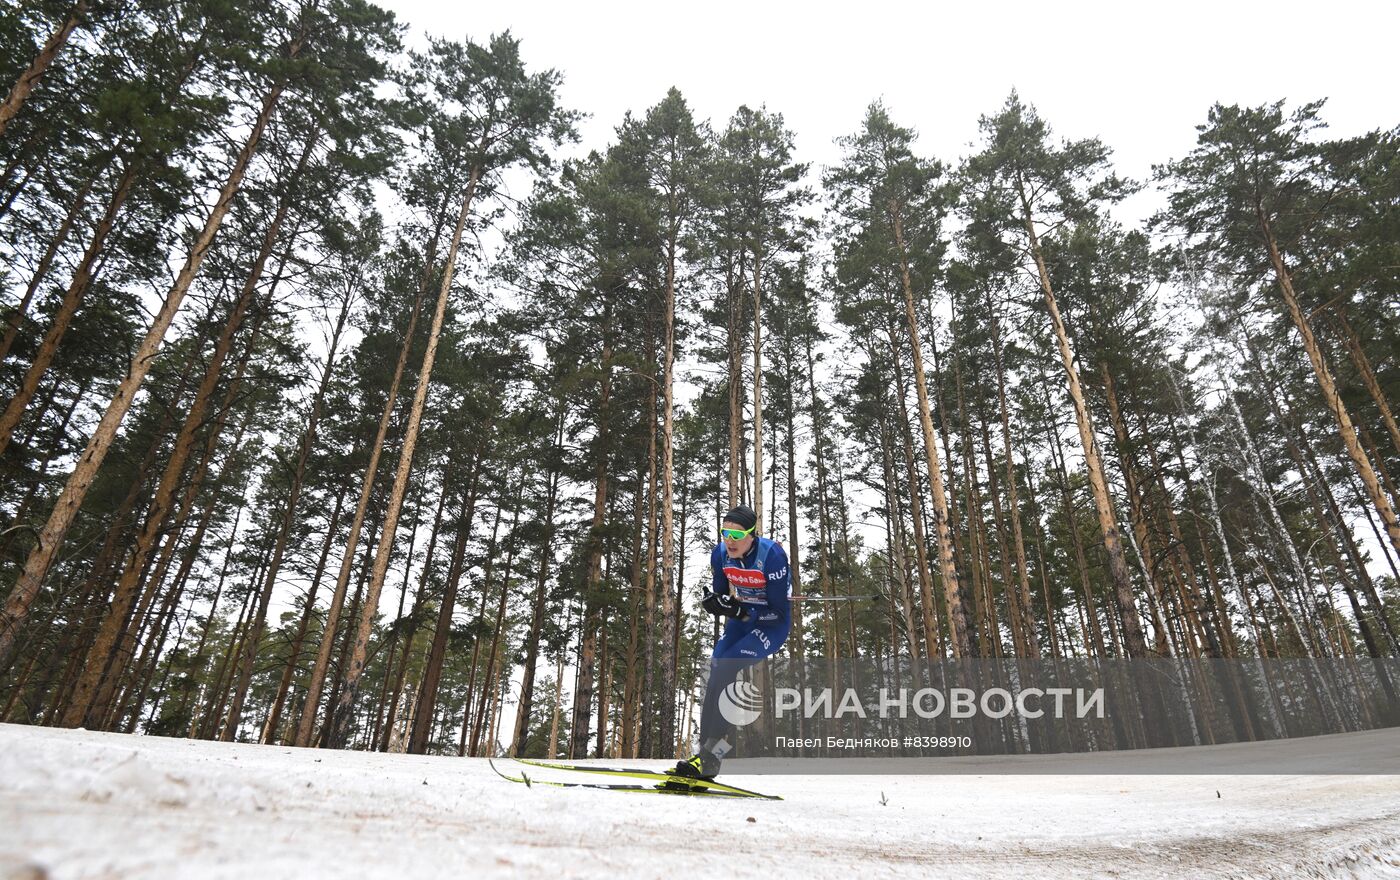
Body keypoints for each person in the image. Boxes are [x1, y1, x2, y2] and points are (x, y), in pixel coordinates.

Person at [670, 504, 791, 783]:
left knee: (726, 667)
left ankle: (714, 754)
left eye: (737, 535)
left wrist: (740, 611)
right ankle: (705, 754)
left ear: (752, 534)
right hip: (742, 620)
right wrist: (716, 604)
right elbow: (723, 597)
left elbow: (778, 612)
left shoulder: (771, 556)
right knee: (716, 671)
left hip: (770, 625)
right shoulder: (720, 554)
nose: (730, 540)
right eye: (725, 533)